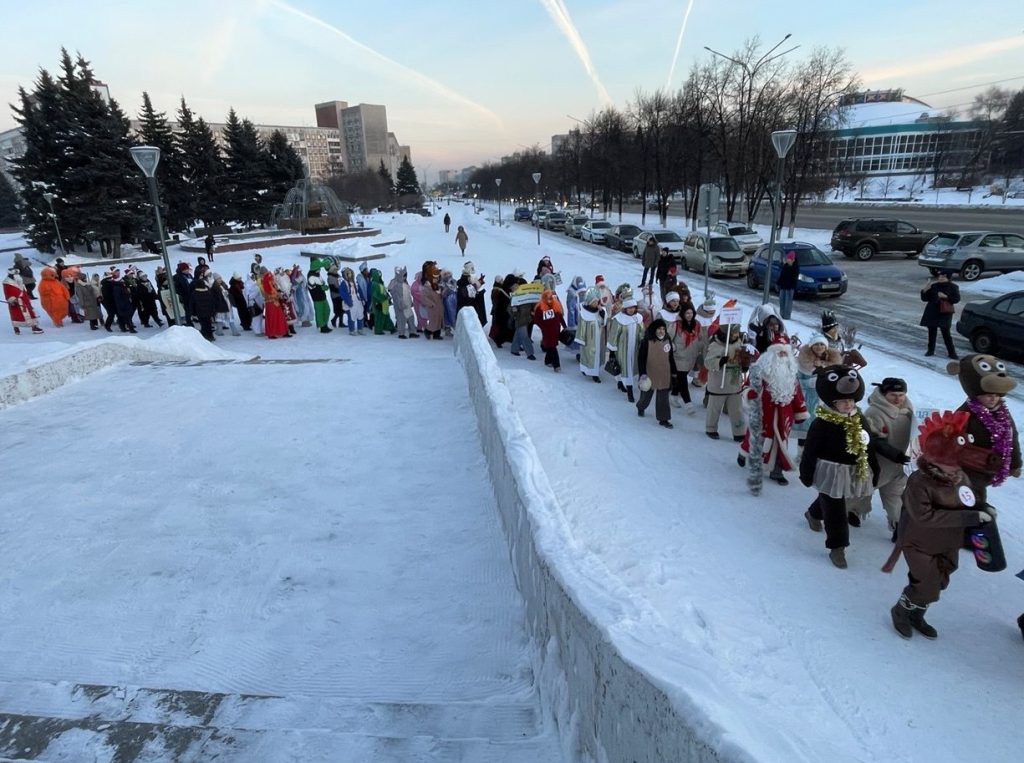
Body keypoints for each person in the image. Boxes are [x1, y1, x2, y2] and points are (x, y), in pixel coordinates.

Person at [887, 411, 993, 640]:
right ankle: (901, 611)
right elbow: (924, 516)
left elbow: (968, 499)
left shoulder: (960, 476)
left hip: (948, 541)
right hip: (919, 542)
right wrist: (969, 518)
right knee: (926, 584)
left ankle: (918, 614)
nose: (953, 468)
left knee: (942, 579)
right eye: (949, 463)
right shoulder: (919, 481)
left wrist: (982, 507)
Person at [799, 365, 880, 569]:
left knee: (833, 497)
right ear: (832, 402)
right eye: (843, 401)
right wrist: (806, 472)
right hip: (830, 470)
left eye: (851, 400)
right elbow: (810, 450)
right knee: (836, 509)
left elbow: (868, 443)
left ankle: (813, 513)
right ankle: (838, 547)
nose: (847, 404)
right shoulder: (822, 423)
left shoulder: (859, 418)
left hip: (852, 469)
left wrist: (874, 466)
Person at [951, 354, 1021, 508]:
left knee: (976, 493)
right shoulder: (966, 412)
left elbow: (1011, 437)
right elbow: (950, 436)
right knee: (973, 495)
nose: (993, 399)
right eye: (988, 396)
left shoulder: (1002, 412)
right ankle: (973, 518)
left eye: (996, 396)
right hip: (969, 466)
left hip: (991, 467)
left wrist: (1015, 463)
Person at [738, 339, 808, 486]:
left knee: (780, 443)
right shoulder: (760, 371)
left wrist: (800, 411)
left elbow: (797, 395)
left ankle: (777, 471)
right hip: (764, 412)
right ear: (771, 355)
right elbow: (748, 387)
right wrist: (750, 393)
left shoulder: (791, 376)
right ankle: (745, 454)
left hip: (784, 417)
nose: (782, 356)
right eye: (779, 352)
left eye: (785, 353)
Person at [848, 378, 914, 532]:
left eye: (901, 394)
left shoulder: (909, 412)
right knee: (862, 492)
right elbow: (870, 439)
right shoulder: (874, 412)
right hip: (878, 464)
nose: (898, 399)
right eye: (893, 395)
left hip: (900, 465)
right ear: (884, 394)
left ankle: (898, 525)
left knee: (895, 495)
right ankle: (852, 511)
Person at [703, 323, 749, 441]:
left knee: (737, 409)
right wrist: (720, 361)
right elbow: (708, 362)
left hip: (734, 382)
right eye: (732, 334)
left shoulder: (739, 343)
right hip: (719, 383)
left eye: (736, 333)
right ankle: (711, 428)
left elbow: (741, 358)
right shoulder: (715, 345)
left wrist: (744, 365)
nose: (735, 335)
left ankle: (739, 431)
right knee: (714, 408)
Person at [636, 318, 677, 428]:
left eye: (663, 329)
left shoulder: (667, 340)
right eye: (659, 329)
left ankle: (664, 419)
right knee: (646, 396)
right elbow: (641, 359)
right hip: (650, 373)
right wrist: (642, 373)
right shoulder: (646, 341)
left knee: (663, 398)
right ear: (654, 329)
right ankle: (641, 406)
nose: (661, 331)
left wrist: (674, 372)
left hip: (664, 373)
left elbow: (671, 358)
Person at [669, 301, 703, 414]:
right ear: (682, 313)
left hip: (691, 358)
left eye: (691, 313)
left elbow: (700, 338)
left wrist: (701, 349)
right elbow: (668, 338)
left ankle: (673, 396)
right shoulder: (676, 325)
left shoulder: (697, 324)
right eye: (687, 313)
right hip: (678, 357)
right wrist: (672, 346)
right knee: (683, 380)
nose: (689, 315)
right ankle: (688, 403)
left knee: (680, 378)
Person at [606, 297, 644, 401]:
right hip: (622, 351)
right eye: (629, 308)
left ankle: (620, 383)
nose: (631, 310)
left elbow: (641, 332)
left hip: (634, 349)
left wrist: (643, 342)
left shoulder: (638, 318)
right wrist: (612, 351)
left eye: (633, 307)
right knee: (625, 369)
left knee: (631, 369)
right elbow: (613, 335)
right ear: (625, 308)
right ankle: (630, 392)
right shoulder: (619, 319)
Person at [920, 270, 959, 358]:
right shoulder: (934, 286)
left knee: (946, 333)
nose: (940, 278)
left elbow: (956, 299)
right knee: (932, 332)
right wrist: (925, 289)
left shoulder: (953, 287)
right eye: (940, 276)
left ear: (948, 278)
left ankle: (952, 353)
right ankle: (930, 350)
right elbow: (924, 298)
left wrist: (945, 296)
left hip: (945, 313)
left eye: (943, 277)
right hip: (932, 311)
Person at [533, 285, 566, 371]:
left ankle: (547, 361)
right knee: (552, 346)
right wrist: (543, 327)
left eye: (551, 298)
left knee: (551, 345)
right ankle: (556, 365)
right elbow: (536, 319)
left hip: (555, 330)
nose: (550, 300)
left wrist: (564, 326)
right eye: (548, 298)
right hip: (547, 331)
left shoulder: (556, 304)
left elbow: (559, 316)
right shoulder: (540, 308)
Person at [576, 286, 605, 383]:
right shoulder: (584, 313)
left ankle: (595, 373)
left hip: (598, 339)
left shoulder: (600, 311)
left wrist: (601, 313)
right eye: (594, 302)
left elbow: (603, 322)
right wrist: (581, 339)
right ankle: (587, 370)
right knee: (587, 355)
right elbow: (581, 326)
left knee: (596, 357)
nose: (596, 304)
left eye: (597, 302)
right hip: (588, 340)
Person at [4, 266, 44, 334]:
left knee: (30, 313)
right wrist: (12, 300)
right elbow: (7, 293)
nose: (17, 276)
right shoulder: (7, 283)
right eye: (15, 274)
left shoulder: (19, 280)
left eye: (17, 274)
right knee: (17, 315)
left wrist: (26, 296)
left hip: (24, 299)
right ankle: (16, 328)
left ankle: (34, 327)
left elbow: (23, 290)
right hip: (16, 301)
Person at [509, 281, 537, 359]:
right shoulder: (514, 299)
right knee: (525, 337)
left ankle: (514, 349)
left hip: (526, 319)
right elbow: (509, 309)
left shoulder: (525, 297)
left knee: (518, 334)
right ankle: (530, 353)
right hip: (520, 320)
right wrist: (513, 311)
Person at [389, 266, 418, 338]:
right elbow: (395, 296)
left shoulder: (405, 283)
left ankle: (412, 332)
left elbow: (408, 294)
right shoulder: (395, 284)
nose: (405, 277)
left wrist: (410, 302)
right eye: (404, 276)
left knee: (411, 318)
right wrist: (400, 304)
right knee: (401, 320)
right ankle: (401, 333)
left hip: (407, 305)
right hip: (400, 306)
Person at [260, 267, 289, 339]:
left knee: (277, 317)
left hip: (273, 301)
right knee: (275, 317)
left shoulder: (266, 280)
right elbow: (270, 290)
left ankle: (278, 332)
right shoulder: (267, 280)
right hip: (271, 301)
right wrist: (277, 295)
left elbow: (273, 287)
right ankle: (275, 333)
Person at [489, 273, 516, 348]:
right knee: (501, 326)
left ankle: (501, 339)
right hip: (501, 311)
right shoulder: (499, 290)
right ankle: (499, 339)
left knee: (502, 326)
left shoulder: (502, 289)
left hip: (501, 311)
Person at [456, 261, 486, 326]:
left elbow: (472, 287)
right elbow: (469, 290)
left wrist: (479, 282)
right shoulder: (465, 282)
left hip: (470, 305)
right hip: (467, 307)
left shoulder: (467, 279)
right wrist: (479, 282)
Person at [339, 267, 365, 335]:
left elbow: (359, 291)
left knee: (360, 315)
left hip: (357, 301)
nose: (350, 275)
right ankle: (352, 330)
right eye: (348, 273)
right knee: (351, 316)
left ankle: (360, 329)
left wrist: (362, 299)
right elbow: (343, 294)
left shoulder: (354, 282)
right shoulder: (343, 283)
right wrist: (349, 301)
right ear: (345, 275)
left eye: (351, 273)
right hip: (350, 302)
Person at [420, 268, 445, 340]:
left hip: (439, 307)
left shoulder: (437, 286)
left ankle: (437, 334)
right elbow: (424, 297)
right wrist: (431, 304)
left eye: (437, 278)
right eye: (435, 278)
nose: (436, 279)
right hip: (432, 308)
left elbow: (439, 295)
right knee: (433, 321)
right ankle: (427, 331)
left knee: (438, 321)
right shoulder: (427, 287)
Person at [370, 268, 395, 335]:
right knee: (379, 317)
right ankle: (378, 331)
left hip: (384, 303)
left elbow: (384, 292)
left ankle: (391, 328)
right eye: (378, 275)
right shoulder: (374, 284)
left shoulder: (379, 283)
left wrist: (388, 297)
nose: (380, 276)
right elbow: (376, 294)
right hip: (379, 303)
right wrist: (384, 298)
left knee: (386, 316)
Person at [776, 249, 799, 320]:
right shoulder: (785, 266)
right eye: (787, 258)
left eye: (788, 259)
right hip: (783, 286)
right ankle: (781, 316)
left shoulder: (795, 267)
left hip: (789, 287)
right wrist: (778, 283)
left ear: (792, 259)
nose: (787, 260)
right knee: (782, 302)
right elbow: (782, 276)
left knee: (787, 303)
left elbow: (792, 277)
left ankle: (786, 317)